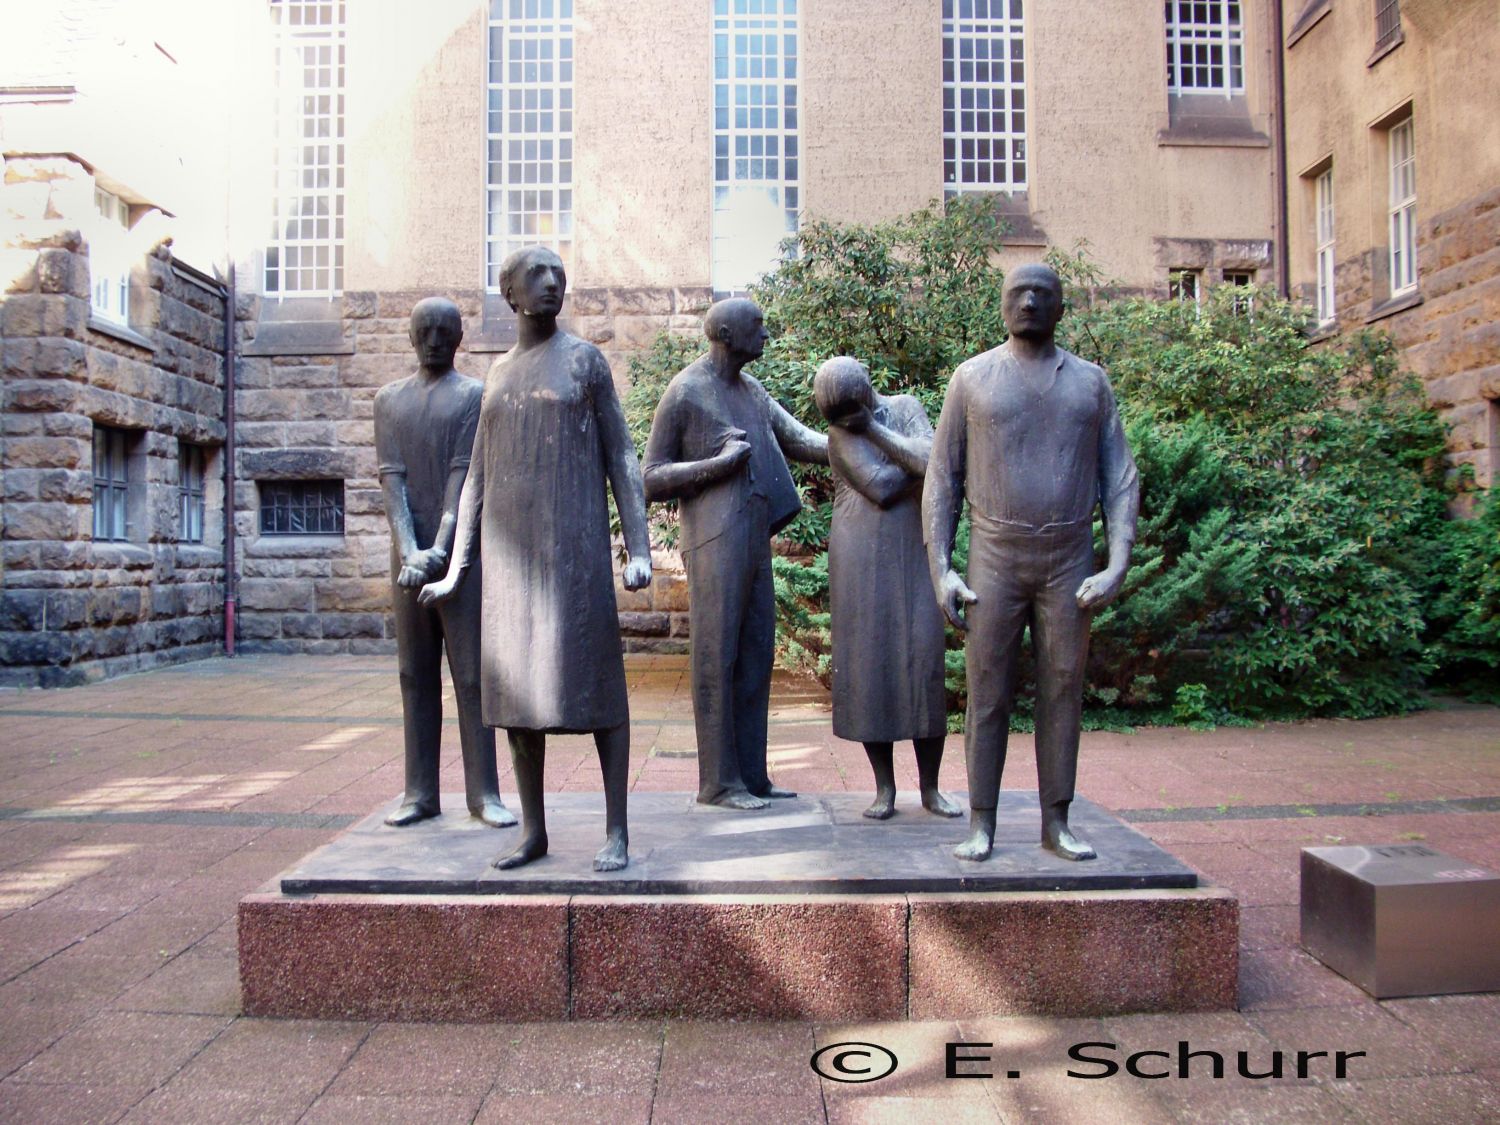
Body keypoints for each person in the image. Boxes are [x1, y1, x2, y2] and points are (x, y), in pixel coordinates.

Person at [420, 248, 652, 872]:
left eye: (557, 275)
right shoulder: (497, 376)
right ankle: (534, 830)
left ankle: (617, 829)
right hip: (509, 564)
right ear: (512, 296)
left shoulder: (584, 362)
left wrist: (638, 547)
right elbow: (475, 477)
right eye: (536, 276)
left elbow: (622, 457)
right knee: (515, 698)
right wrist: (454, 566)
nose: (552, 285)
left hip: (573, 556)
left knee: (599, 689)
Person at [924, 263, 1139, 862]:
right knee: (986, 691)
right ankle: (981, 820)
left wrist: (1117, 560)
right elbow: (942, 478)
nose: (1029, 302)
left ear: (1061, 308)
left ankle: (1056, 820)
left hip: (1069, 559)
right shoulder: (972, 379)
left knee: (1063, 689)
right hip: (995, 555)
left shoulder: (1091, 384)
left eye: (1042, 295)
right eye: (1018, 294)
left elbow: (1119, 476)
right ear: (1001, 306)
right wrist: (942, 567)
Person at [642, 298, 828, 809]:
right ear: (726, 332)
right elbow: (650, 479)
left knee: (755, 656)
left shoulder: (754, 391)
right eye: (758, 326)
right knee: (715, 656)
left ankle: (752, 774)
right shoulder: (686, 391)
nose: (766, 334)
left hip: (753, 540)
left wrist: (862, 433)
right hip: (713, 542)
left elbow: (803, 440)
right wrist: (716, 466)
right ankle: (719, 783)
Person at [373, 297, 514, 830]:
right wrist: (410, 549)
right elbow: (392, 479)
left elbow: (464, 474)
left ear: (458, 338)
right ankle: (420, 792)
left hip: (461, 556)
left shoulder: (473, 396)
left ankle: (483, 793)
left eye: (444, 330)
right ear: (411, 337)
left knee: (471, 674)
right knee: (414, 673)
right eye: (424, 330)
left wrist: (441, 548)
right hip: (408, 556)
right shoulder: (388, 401)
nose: (434, 339)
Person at [814, 356, 961, 821]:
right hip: (860, 555)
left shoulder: (905, 406)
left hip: (913, 551)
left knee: (922, 663)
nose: (840, 420)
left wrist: (877, 432)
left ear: (864, 395)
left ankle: (932, 788)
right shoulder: (840, 436)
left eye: (847, 410)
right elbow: (881, 486)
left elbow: (931, 457)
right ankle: (885, 788)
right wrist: (922, 463)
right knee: (871, 670)